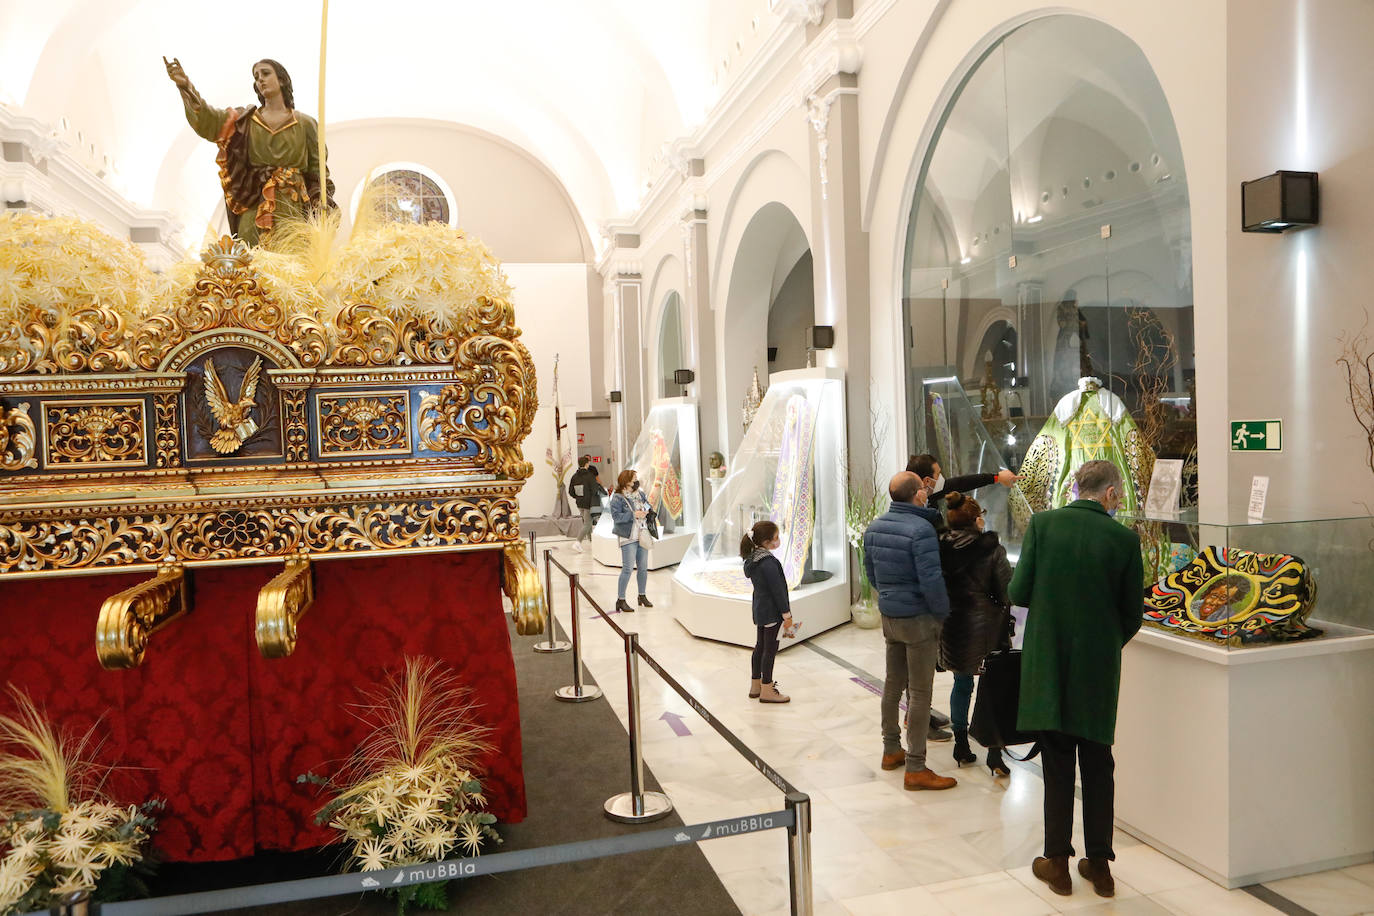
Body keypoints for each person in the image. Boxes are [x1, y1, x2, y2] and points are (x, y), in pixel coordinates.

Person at [1010, 460, 1143, 899]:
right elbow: (1132, 614)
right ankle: (1101, 867)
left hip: (1050, 661)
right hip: (1097, 668)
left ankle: (1058, 865)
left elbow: (1018, 592)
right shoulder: (1124, 539)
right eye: (1118, 493)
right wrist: (1104, 643)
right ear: (1108, 494)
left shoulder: (1044, 526)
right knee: (1099, 762)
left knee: (1057, 760)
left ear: (1076, 487)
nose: (1119, 499)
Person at [165, 56, 335, 247]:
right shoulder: (244, 120)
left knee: (292, 263)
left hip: (291, 208)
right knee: (252, 263)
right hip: (254, 202)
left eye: (266, 73)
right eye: (256, 76)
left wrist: (322, 201)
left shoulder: (306, 124)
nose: (260, 79)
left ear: (282, 79)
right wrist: (186, 86)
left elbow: (318, 173)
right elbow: (209, 120)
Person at [863, 471, 956, 791]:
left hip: (890, 615)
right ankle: (916, 766)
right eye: (924, 487)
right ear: (917, 495)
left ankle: (891, 750)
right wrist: (942, 613)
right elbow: (931, 579)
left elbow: (871, 574)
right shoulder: (921, 529)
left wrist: (889, 597)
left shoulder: (875, 527)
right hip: (918, 618)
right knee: (919, 693)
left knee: (892, 684)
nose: (928, 491)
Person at [937, 492, 1013, 776]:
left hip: (953, 626)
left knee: (961, 682)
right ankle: (994, 751)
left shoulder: (940, 546)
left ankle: (960, 743)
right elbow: (1007, 591)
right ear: (975, 520)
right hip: (987, 628)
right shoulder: (992, 550)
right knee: (992, 688)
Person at [740, 521, 799, 704]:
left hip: (760, 609)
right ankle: (767, 688)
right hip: (771, 611)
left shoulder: (753, 559)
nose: (778, 541)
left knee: (760, 646)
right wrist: (787, 614)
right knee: (769, 649)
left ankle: (755, 685)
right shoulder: (768, 563)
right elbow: (778, 591)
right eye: (776, 538)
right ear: (766, 542)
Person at [609, 469, 657, 613]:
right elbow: (616, 517)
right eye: (634, 478)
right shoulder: (617, 497)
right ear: (626, 481)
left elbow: (648, 505)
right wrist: (633, 514)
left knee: (643, 568)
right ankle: (621, 599)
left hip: (643, 533)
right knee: (628, 568)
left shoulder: (640, 494)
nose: (636, 480)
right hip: (628, 536)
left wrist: (648, 510)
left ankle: (642, 596)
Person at [567, 458, 605, 553]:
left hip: (579, 503)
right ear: (587, 464)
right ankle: (577, 542)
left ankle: (592, 541)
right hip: (589, 503)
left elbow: (571, 491)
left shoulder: (574, 476)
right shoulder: (589, 476)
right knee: (587, 524)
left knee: (586, 522)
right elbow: (594, 489)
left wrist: (578, 497)